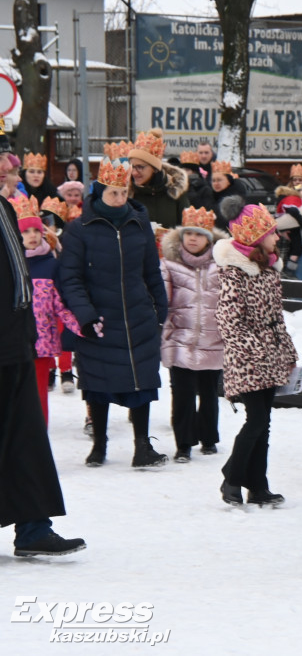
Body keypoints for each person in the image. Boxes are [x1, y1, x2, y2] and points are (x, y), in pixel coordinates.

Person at [0, 124, 86, 558]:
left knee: (26, 439)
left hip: (15, 343)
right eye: (2, 160)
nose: (8, 168)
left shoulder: (3, 208)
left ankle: (33, 528)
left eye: (7, 159)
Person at [59, 157, 169, 469]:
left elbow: (152, 270)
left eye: (124, 192)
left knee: (143, 380)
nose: (120, 199)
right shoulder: (79, 229)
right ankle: (100, 444)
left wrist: (161, 309)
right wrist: (85, 315)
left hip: (137, 315)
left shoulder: (139, 225)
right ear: (99, 193)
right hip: (100, 318)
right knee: (97, 382)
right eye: (113, 194)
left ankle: (142, 446)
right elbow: (71, 278)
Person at [214, 196, 297, 508]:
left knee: (264, 422)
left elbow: (276, 318)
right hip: (248, 360)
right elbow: (228, 320)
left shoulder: (269, 269)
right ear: (257, 238)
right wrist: (255, 351)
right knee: (256, 420)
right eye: (272, 232)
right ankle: (232, 477)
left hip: (270, 355)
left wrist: (287, 351)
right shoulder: (235, 272)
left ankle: (257, 486)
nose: (278, 237)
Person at [160, 206, 226, 462]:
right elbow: (162, 300)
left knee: (209, 392)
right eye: (188, 233)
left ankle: (209, 437)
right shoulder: (169, 265)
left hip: (212, 338)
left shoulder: (220, 266)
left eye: (199, 235)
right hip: (180, 339)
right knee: (182, 392)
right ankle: (183, 443)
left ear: (209, 240)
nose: (193, 239)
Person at [15, 195, 80, 424]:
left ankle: (39, 433)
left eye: (35, 230)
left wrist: (80, 326)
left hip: (41, 343)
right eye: (25, 232)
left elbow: (62, 305)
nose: (32, 236)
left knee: (39, 392)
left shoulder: (51, 265)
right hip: (14, 342)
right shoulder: (13, 265)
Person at [127, 129, 190, 230]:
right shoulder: (127, 194)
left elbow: (186, 229)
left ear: (155, 168)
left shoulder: (175, 192)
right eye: (132, 166)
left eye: (140, 167)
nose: (134, 172)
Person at [210, 161, 245, 231]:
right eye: (213, 181)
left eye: (219, 180)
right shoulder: (209, 196)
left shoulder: (236, 201)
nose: (216, 183)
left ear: (228, 181)